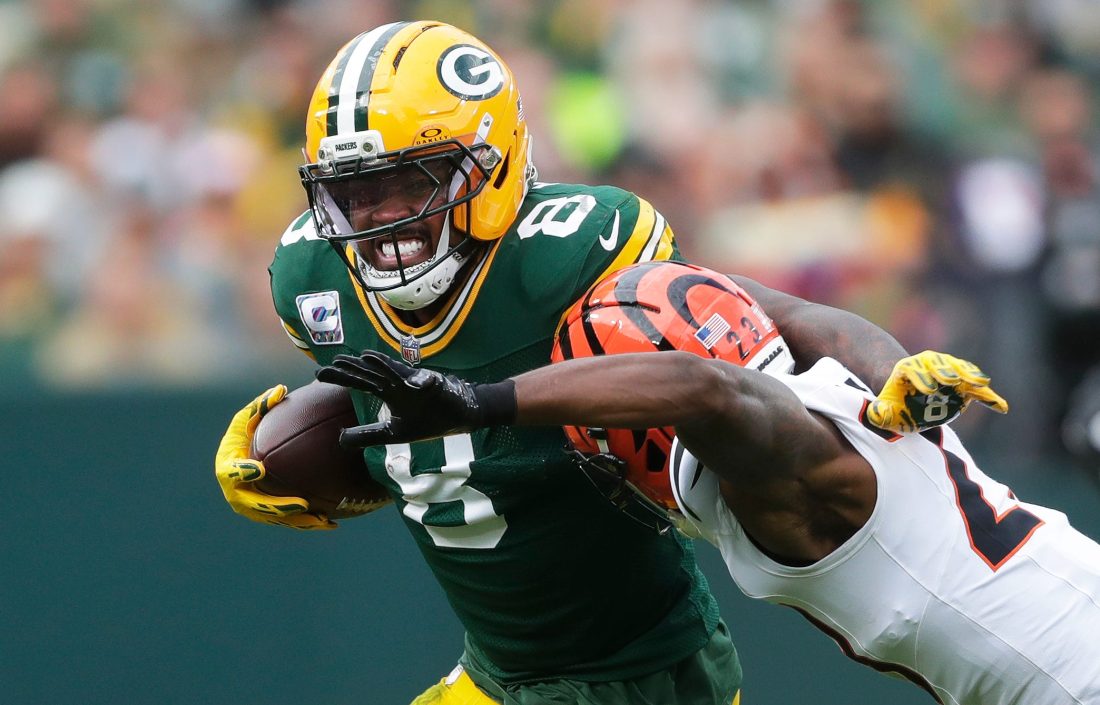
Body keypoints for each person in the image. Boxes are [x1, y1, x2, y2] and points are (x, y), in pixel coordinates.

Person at [212, 21, 983, 705]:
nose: (381, 220)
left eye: (409, 184)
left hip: (644, 676)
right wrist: (305, 450)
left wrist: (888, 367)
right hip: (496, 671)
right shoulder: (312, 278)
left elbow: (771, 312)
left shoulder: (568, 256)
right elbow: (400, 408)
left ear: (491, 166)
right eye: (355, 191)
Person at [320, 261, 1100, 705]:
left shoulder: (792, 472)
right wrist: (893, 362)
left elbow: (704, 386)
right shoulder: (839, 390)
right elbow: (789, 312)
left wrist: (482, 401)